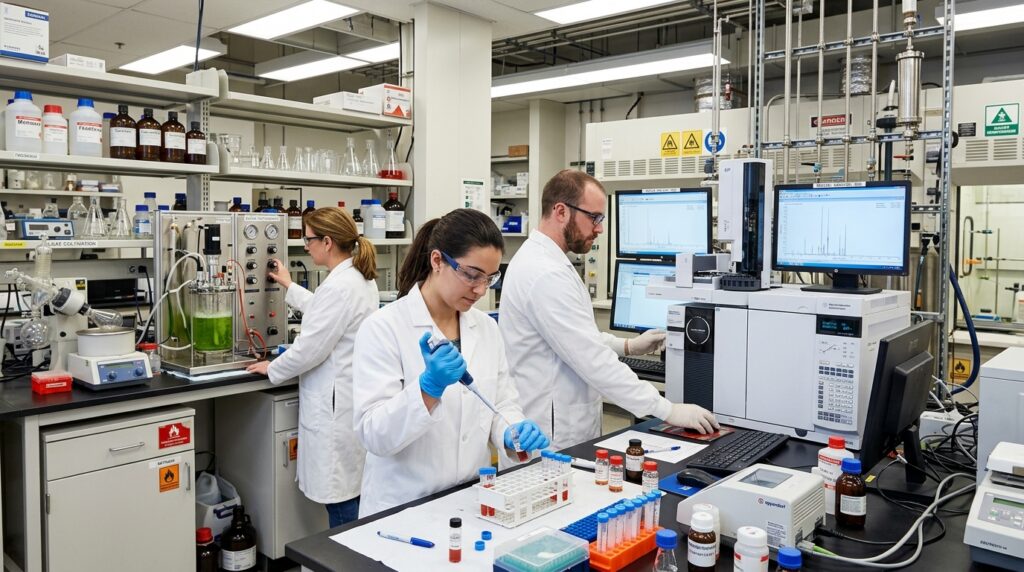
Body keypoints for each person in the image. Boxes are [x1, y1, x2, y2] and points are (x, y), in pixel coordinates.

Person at [500, 170, 720, 450]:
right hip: (551, 436)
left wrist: (627, 345)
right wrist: (668, 411)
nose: (600, 228)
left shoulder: (549, 263)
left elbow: (575, 337)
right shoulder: (545, 273)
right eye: (594, 217)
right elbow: (591, 359)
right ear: (561, 212)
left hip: (561, 424)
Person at [352, 208, 550, 517]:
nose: (481, 290)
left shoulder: (486, 328)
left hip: (471, 501)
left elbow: (500, 404)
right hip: (403, 510)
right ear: (437, 261)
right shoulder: (384, 327)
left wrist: (511, 432)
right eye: (471, 275)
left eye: (490, 278)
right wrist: (427, 390)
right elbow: (374, 434)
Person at [246, 206, 379, 528]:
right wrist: (289, 286)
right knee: (352, 491)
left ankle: (346, 562)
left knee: (343, 500)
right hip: (348, 395)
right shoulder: (357, 278)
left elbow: (310, 349)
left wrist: (273, 368)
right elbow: (326, 312)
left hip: (335, 404)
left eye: (308, 240)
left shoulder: (340, 285)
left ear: (327, 241)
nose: (305, 245)